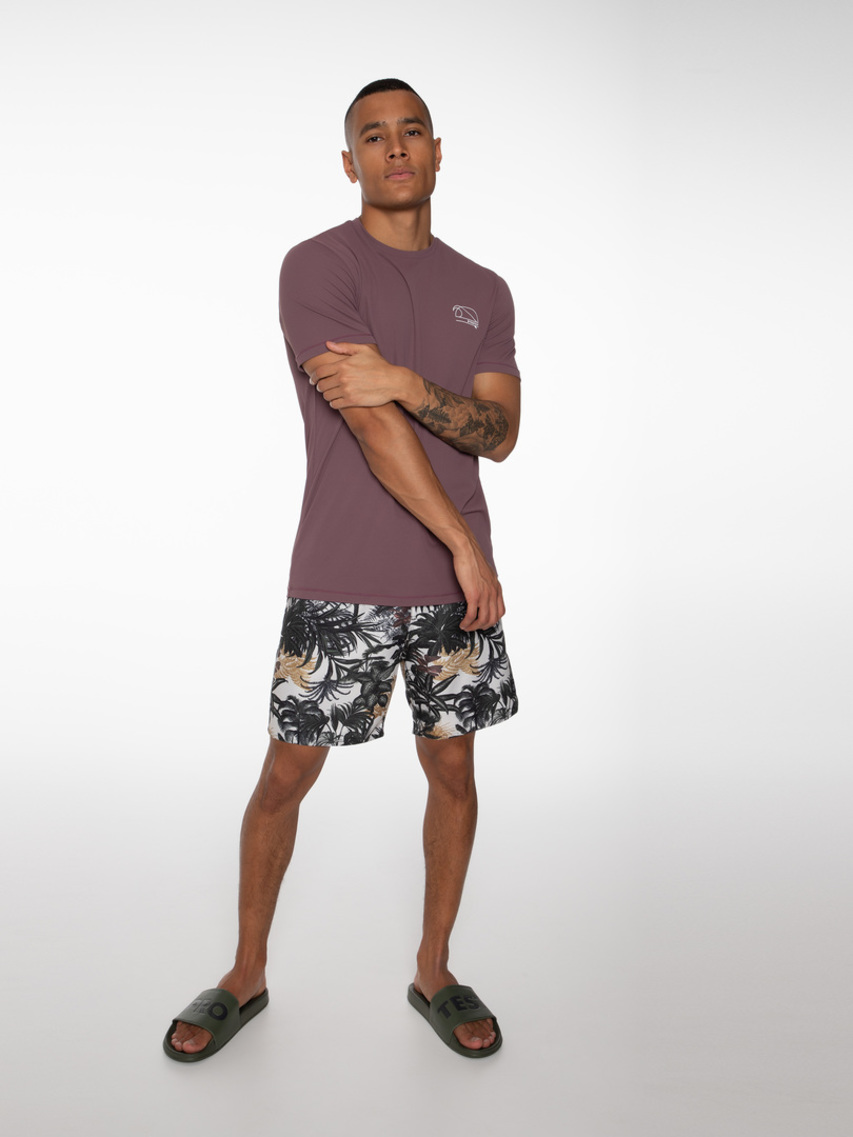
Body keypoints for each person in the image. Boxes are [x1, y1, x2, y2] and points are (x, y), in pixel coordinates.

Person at [163, 78, 521, 1062]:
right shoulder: (317, 266)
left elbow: (498, 432)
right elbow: (368, 426)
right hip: (343, 575)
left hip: (456, 590)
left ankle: (434, 968)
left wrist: (403, 378)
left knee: (454, 768)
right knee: (287, 772)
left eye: (411, 131)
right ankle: (245, 972)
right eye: (373, 135)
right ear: (349, 160)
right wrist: (463, 542)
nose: (394, 147)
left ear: (437, 151)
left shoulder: (485, 289)